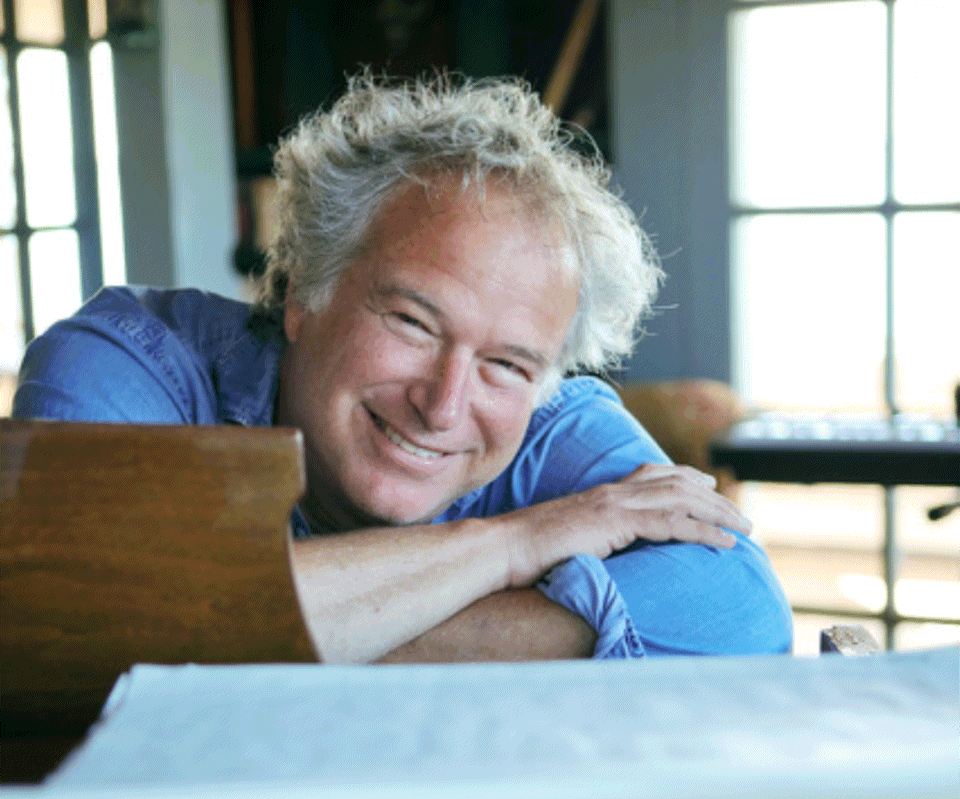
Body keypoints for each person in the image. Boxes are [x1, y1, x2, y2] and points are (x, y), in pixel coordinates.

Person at [13, 73, 792, 664]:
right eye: (414, 324)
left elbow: (740, 613)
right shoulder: (124, 362)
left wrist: (319, 634)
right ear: (303, 291)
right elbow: (89, 626)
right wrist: (513, 546)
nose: (444, 406)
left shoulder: (552, 422)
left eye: (506, 363)